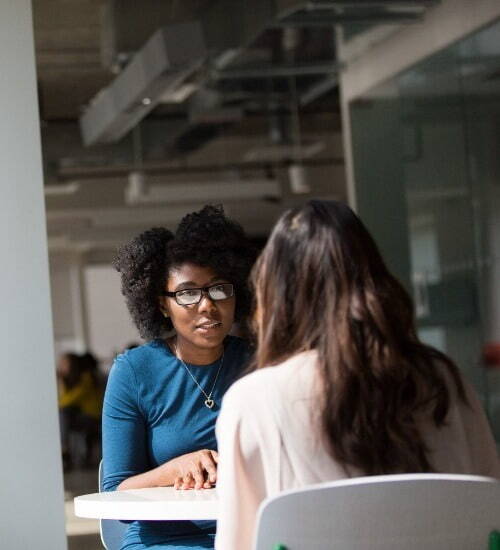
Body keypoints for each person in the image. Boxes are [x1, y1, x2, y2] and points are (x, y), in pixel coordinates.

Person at [215, 199, 500, 550]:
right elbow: (491, 515)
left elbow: (236, 544)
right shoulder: (444, 380)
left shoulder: (254, 401)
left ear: (277, 295)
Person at [102, 205, 255, 550]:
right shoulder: (135, 372)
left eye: (219, 289)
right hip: (166, 541)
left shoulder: (257, 363)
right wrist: (175, 469)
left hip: (251, 533)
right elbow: (115, 495)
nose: (207, 305)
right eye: (187, 293)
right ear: (161, 304)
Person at [57, 352, 102, 470]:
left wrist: (61, 381)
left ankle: (64, 450)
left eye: (64, 363)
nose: (60, 366)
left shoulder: (86, 379)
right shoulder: (73, 381)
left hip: (93, 418)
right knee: (63, 415)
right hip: (83, 416)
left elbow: (66, 401)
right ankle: (64, 451)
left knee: (62, 414)